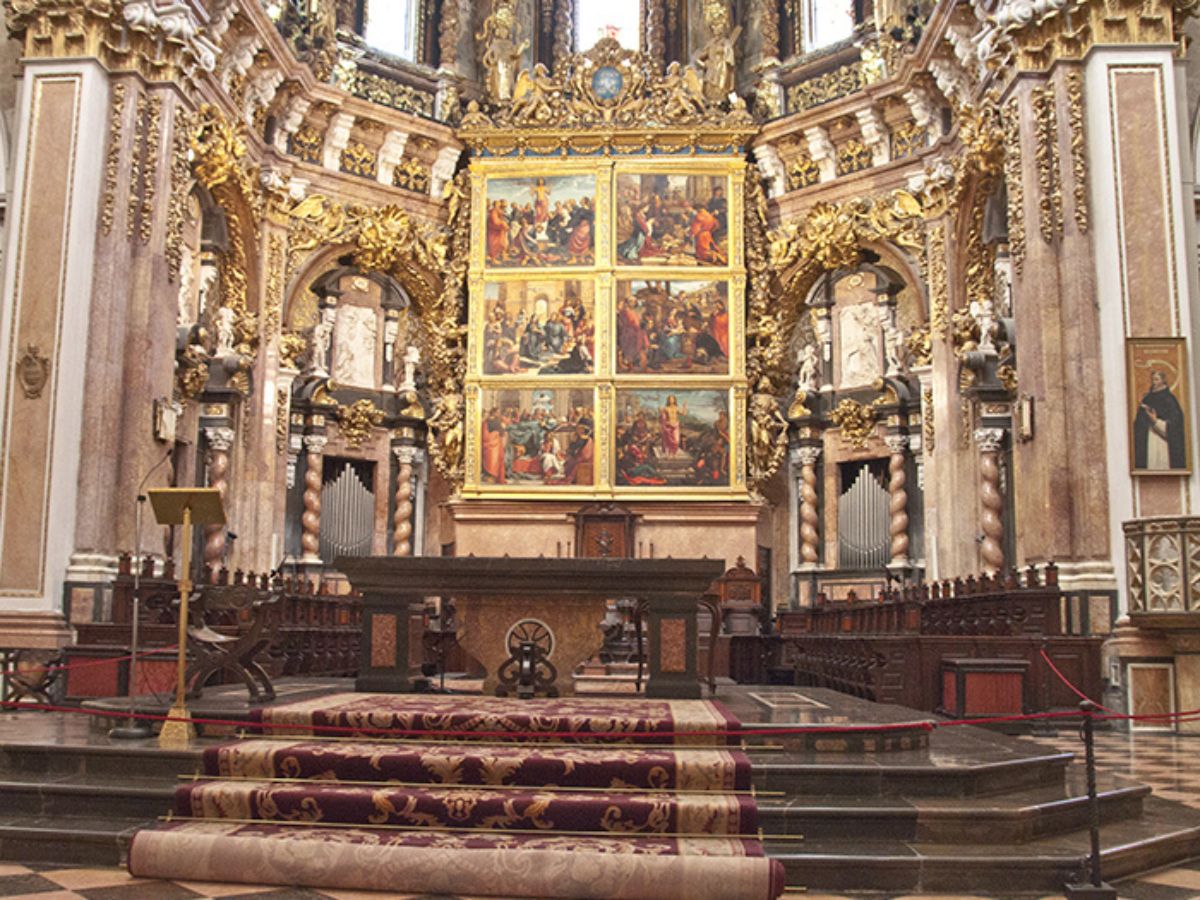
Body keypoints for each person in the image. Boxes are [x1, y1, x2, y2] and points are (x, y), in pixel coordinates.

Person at [1134, 369, 1188, 470]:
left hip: (1163, 442)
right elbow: (1139, 423)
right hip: (1149, 439)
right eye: (1153, 379)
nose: (1154, 382)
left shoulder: (1170, 399)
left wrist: (1155, 421)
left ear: (1163, 381)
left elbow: (1176, 425)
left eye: (1156, 379)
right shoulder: (1147, 398)